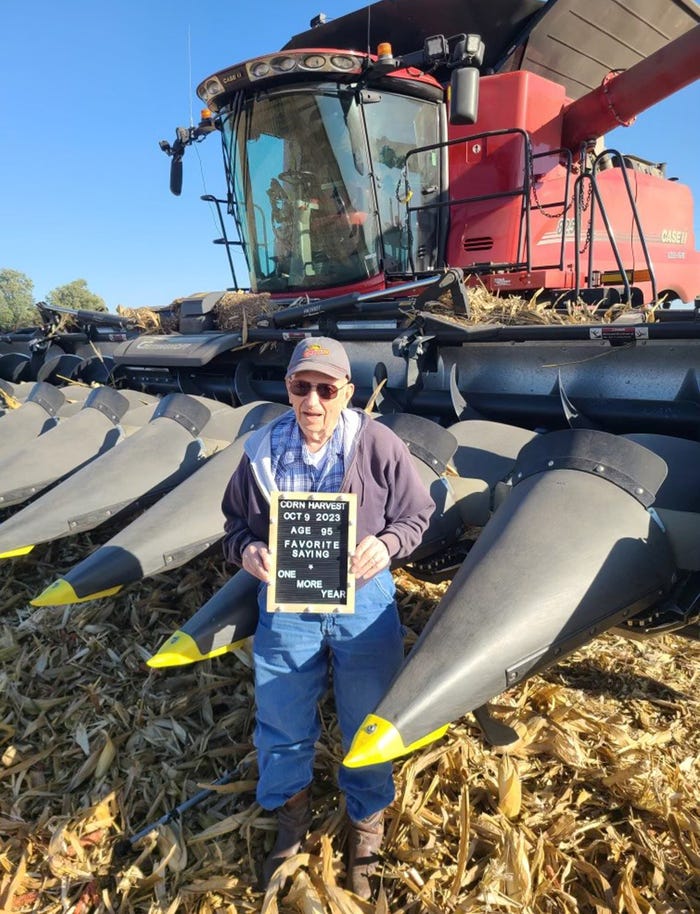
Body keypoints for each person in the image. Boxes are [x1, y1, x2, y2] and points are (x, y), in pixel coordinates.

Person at [221, 337, 435, 898]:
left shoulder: (378, 443)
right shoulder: (259, 451)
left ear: (347, 392)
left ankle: (366, 824)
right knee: (280, 714)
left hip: (364, 602)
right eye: (300, 386)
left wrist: (386, 545)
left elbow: (418, 515)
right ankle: (291, 818)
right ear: (287, 388)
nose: (312, 401)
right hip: (287, 603)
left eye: (325, 388)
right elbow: (235, 526)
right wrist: (247, 552)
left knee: (368, 718)